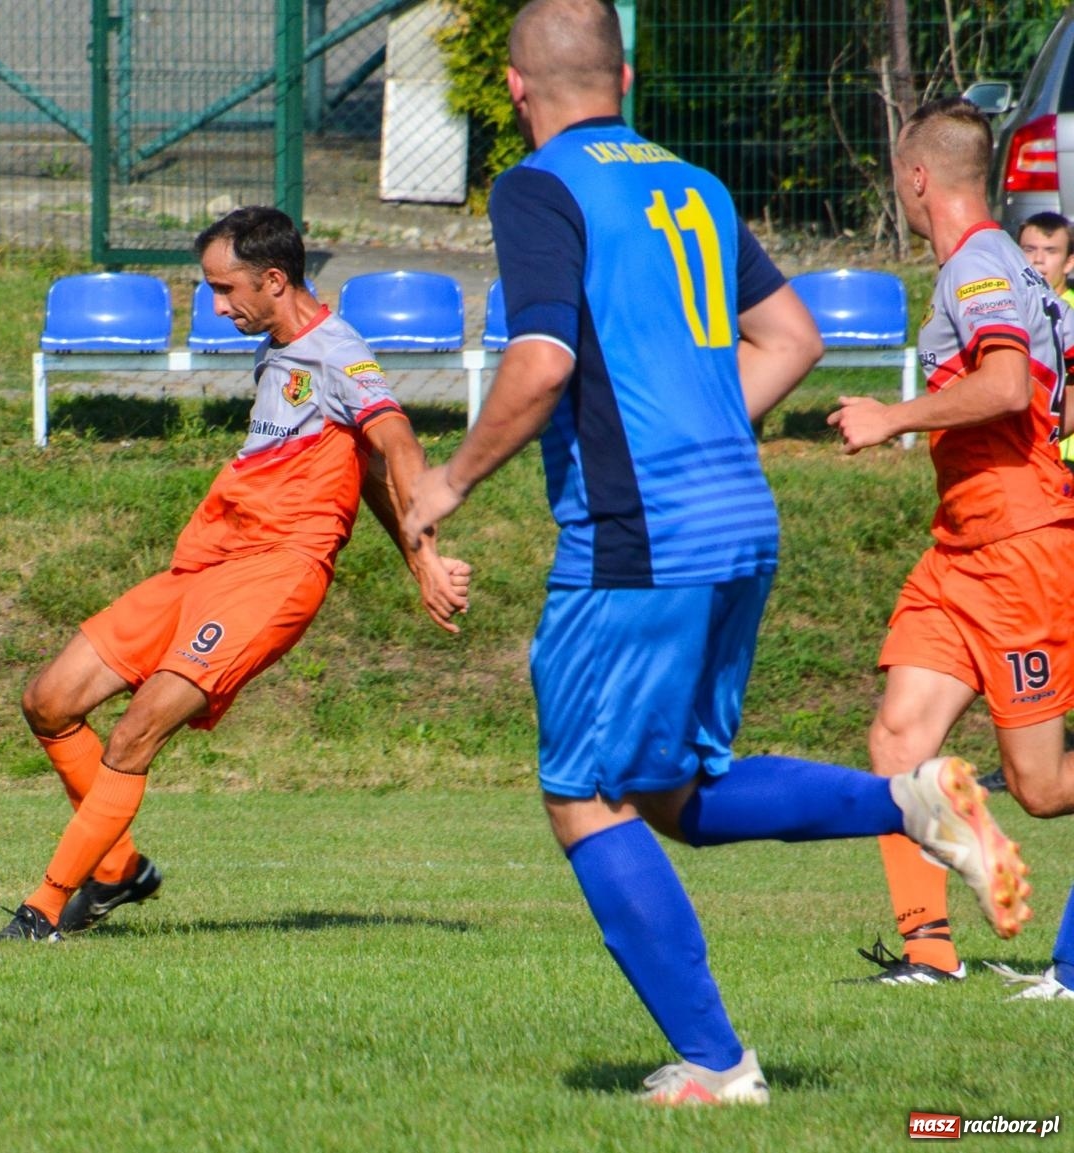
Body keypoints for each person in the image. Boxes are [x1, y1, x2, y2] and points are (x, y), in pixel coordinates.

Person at [402, 0, 1030, 1106]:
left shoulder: (537, 184)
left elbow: (542, 359)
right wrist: (697, 433)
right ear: (628, 76)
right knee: (674, 792)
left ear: (512, 88)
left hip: (637, 537)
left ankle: (715, 1061)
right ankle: (910, 802)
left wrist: (443, 483)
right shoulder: (693, 183)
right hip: (738, 515)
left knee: (583, 795)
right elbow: (793, 337)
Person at [0, 205, 472, 943]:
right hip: (207, 563)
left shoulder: (340, 354)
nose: (217, 308)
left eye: (226, 290)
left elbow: (398, 444)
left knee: (134, 734)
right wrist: (413, 555)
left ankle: (46, 909)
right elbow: (366, 470)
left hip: (274, 576)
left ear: (274, 280)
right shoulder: (276, 347)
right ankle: (117, 865)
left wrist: (428, 550)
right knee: (49, 700)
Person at [828, 97, 1074, 997]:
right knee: (899, 739)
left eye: (899, 174)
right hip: (961, 547)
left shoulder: (977, 264)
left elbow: (1011, 385)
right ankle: (929, 952)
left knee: (1041, 787)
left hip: (1016, 546)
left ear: (919, 176)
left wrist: (891, 415)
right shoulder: (1018, 269)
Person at [1015, 211, 1074, 478]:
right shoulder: (1009, 311)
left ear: (1069, 262)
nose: (1038, 260)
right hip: (1026, 452)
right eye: (1029, 249)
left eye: (1050, 251)